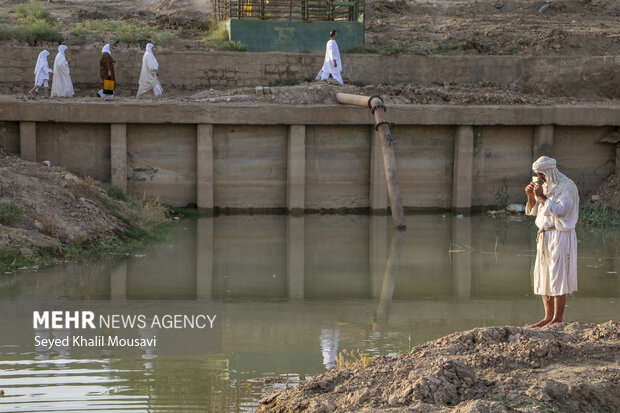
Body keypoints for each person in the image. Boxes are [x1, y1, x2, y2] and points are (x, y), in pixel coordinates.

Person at [525, 156, 579, 328]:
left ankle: (557, 318)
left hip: (559, 236)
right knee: (544, 275)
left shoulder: (567, 187)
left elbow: (560, 211)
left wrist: (541, 196)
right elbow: (536, 211)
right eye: (538, 174)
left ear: (549, 171)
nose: (540, 177)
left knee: (558, 275)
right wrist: (531, 197)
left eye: (541, 174)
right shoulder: (546, 185)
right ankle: (547, 316)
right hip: (544, 235)